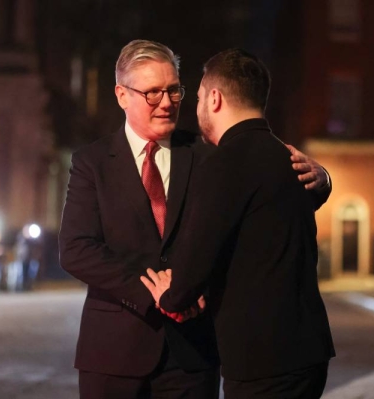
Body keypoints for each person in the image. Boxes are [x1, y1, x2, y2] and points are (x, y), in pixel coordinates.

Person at [59, 40, 331, 399]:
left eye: (174, 90)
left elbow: (266, 207)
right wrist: (155, 293)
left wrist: (322, 180)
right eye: (153, 93)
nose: (168, 102)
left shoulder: (210, 155)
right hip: (113, 353)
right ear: (122, 95)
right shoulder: (91, 162)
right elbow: (76, 250)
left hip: (192, 354)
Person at [141, 49, 335, 399]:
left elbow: (196, 257)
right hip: (310, 351)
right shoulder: (291, 159)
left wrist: (170, 295)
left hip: (261, 360)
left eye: (198, 97)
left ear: (214, 98)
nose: (196, 106)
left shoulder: (223, 165)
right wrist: (326, 180)